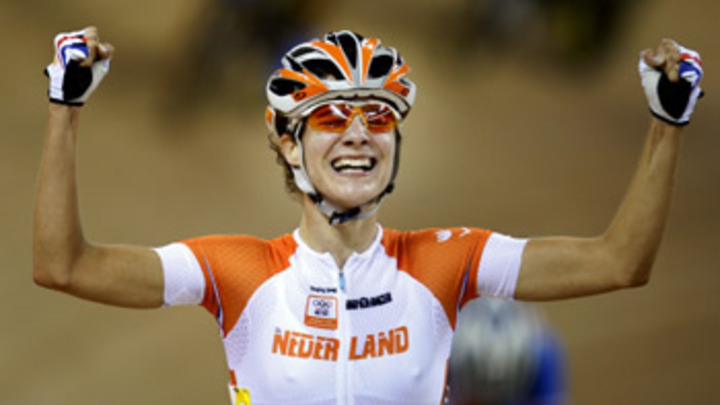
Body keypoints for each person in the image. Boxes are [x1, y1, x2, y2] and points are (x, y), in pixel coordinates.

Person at [34, 27, 703, 405]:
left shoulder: (446, 261)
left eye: (377, 115)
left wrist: (667, 123)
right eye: (331, 116)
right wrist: (65, 110)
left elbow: (620, 262)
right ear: (287, 143)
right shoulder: (236, 271)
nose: (358, 133)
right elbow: (62, 266)